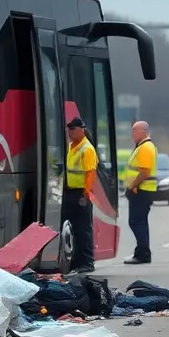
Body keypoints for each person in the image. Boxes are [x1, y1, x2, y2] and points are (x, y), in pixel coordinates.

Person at [64, 116, 98, 273]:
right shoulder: (72, 147)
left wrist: (85, 194)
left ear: (81, 130)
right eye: (69, 129)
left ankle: (87, 262)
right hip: (70, 192)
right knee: (73, 230)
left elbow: (90, 173)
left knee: (83, 230)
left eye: (73, 129)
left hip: (80, 194)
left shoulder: (87, 149)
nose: (70, 132)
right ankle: (77, 262)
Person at [124, 121, 157, 265]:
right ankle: (141, 251)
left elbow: (144, 172)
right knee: (139, 222)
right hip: (142, 190)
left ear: (144, 131)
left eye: (135, 131)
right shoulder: (143, 147)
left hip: (141, 190)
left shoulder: (145, 148)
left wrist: (133, 185)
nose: (133, 134)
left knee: (136, 222)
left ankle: (143, 253)